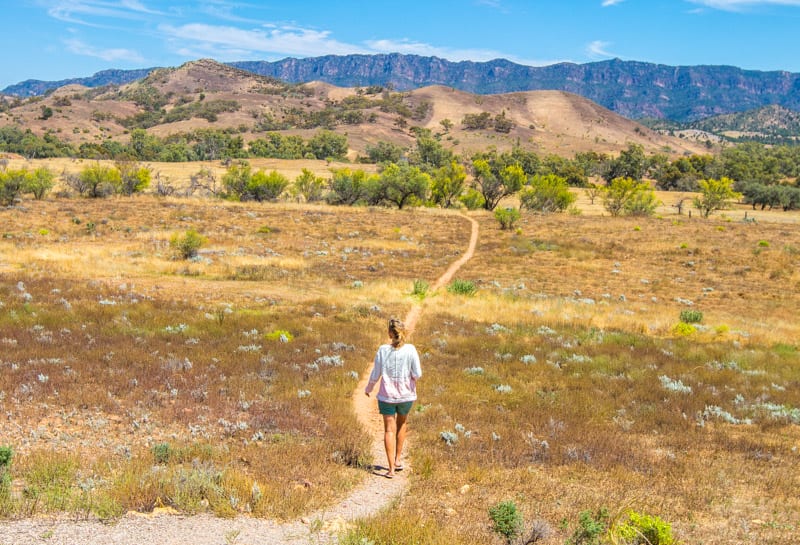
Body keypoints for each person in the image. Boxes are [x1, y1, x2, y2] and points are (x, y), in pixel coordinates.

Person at [364, 318, 422, 478]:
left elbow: (376, 374)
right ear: (403, 332)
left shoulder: (383, 350)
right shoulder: (411, 350)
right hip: (406, 395)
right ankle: (397, 460)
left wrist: (368, 388)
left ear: (390, 333)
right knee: (401, 425)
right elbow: (417, 374)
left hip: (386, 396)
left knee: (389, 429)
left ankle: (390, 469)